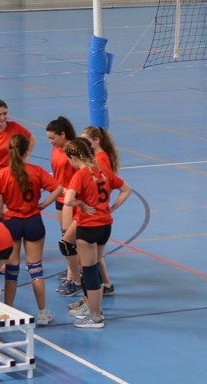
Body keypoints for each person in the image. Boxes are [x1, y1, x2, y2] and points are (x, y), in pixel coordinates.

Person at [0, 134, 64, 325]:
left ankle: (8, 311)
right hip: (33, 221)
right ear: (26, 150)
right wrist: (44, 204)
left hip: (12, 222)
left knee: (12, 270)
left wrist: (2, 211)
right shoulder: (36, 171)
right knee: (35, 269)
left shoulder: (4, 174)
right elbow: (59, 188)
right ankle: (42, 313)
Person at [63, 138, 132, 329]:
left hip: (88, 227)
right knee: (94, 267)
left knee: (90, 271)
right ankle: (92, 307)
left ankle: (95, 316)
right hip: (105, 226)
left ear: (74, 157)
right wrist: (111, 208)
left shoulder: (81, 174)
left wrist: (81, 204)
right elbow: (127, 189)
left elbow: (68, 200)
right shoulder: (102, 171)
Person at [83, 125, 123, 296]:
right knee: (96, 255)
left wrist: (111, 206)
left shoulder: (100, 160)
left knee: (94, 256)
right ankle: (106, 284)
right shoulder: (97, 157)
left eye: (86, 141)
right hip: (98, 212)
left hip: (97, 215)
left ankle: (100, 287)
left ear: (96, 140)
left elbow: (113, 183)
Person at [46, 116, 83, 297]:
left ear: (63, 134)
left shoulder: (72, 151)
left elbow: (82, 175)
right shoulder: (56, 149)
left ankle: (74, 278)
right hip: (59, 198)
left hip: (71, 199)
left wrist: (71, 191)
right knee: (65, 235)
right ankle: (74, 269)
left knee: (69, 240)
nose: (51, 142)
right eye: (49, 139)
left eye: (54, 138)